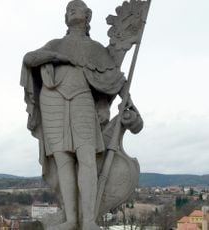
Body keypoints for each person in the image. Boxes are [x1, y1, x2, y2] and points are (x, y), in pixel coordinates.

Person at [21, 1, 143, 229]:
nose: (71, 11)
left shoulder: (96, 49)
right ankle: (71, 219)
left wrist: (132, 110)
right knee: (63, 161)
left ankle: (87, 220)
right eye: (68, 10)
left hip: (81, 100)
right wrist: (59, 58)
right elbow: (29, 59)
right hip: (53, 102)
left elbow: (115, 79)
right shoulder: (55, 44)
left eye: (76, 8)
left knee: (86, 157)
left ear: (88, 16)